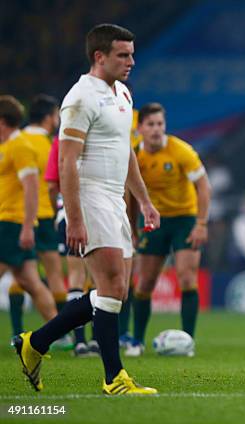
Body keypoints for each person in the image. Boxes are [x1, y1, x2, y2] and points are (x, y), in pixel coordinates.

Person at [12, 24, 160, 395]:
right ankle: (114, 378)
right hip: (90, 196)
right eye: (123, 55)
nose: (131, 61)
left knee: (115, 290)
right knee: (111, 287)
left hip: (114, 198)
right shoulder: (80, 98)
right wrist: (74, 219)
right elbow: (66, 163)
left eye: (131, 53)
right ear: (100, 56)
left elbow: (125, 152)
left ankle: (35, 343)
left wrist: (143, 201)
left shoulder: (123, 94)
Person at [126, 102, 211, 357]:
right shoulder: (134, 155)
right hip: (154, 222)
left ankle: (188, 342)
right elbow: (129, 195)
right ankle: (137, 341)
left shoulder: (181, 150)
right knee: (145, 284)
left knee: (187, 277)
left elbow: (204, 187)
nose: (156, 130)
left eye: (160, 124)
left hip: (185, 219)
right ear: (140, 128)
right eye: (150, 124)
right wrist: (131, 227)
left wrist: (201, 223)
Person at [8, 95, 72, 350]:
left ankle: (17, 330)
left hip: (21, 216)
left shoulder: (18, 141)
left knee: (21, 275)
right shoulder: (51, 143)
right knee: (53, 275)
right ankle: (63, 333)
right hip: (46, 217)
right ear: (49, 117)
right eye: (56, 115)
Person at [0, 95, 58, 332]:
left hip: (12, 223)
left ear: (2, 121)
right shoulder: (8, 146)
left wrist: (26, 226)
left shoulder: (20, 146)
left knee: (32, 282)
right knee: (31, 282)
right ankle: (58, 331)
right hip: (10, 222)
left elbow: (32, 186)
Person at [46, 134, 98, 357]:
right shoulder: (99, 138)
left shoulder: (60, 142)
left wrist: (57, 210)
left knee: (76, 278)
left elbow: (51, 185)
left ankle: (79, 342)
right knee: (99, 278)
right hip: (96, 211)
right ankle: (97, 340)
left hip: (68, 214)